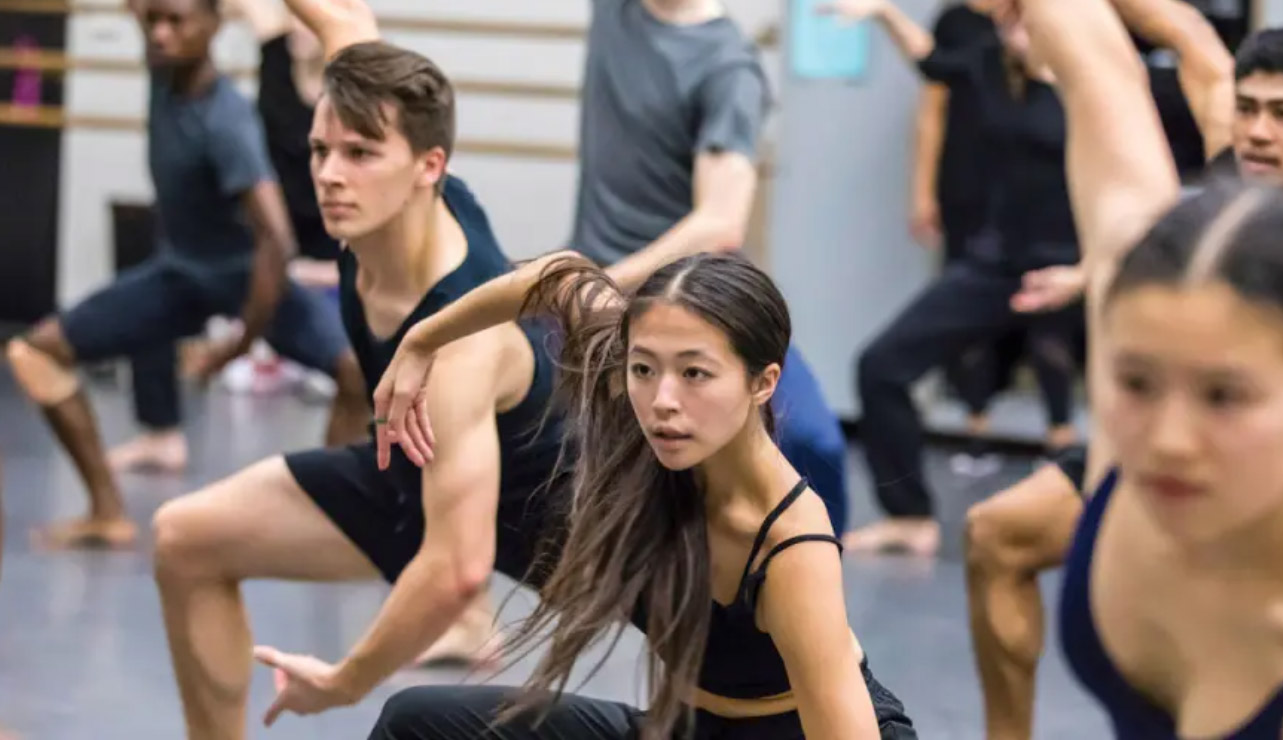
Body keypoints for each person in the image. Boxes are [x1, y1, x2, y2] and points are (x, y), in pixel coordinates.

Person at [959, 2, 1283, 736]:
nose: (1166, 439)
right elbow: (1105, 67)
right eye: (1135, 382)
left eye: (1224, 395)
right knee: (995, 533)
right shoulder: (1163, 256)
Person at [147, 1, 570, 736]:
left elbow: (458, 570)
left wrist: (343, 681)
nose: (331, 176)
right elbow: (343, 17)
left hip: (548, 538)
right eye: (321, 151)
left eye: (361, 155)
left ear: (429, 167)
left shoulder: (459, 340)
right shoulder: (378, 125)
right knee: (185, 540)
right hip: (408, 480)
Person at [367, 252, 918, 740]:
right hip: (683, 726)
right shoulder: (649, 404)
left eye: (696, 373)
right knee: (414, 722)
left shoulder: (791, 544)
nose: (662, 400)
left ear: (762, 382)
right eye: (643, 368)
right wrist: (422, 341)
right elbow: (556, 277)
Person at [2, 0, 365, 548]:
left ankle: (332, 530)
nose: (162, 34)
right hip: (179, 273)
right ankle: (107, 512)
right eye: (154, 22)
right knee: (36, 353)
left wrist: (239, 344)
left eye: (177, 22)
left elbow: (276, 239)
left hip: (243, 276)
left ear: (214, 26)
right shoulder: (162, 71)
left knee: (356, 372)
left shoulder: (226, 121)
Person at [562, 0, 851, 536]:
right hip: (600, 294)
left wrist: (599, 283)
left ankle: (798, 577)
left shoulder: (727, 68)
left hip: (678, 296)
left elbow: (720, 222)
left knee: (814, 444)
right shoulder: (616, 11)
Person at [822, 0, 1083, 556]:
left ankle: (1100, 533)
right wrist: (884, 12)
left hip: (1075, 267)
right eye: (1007, 21)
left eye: (1024, 19)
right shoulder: (988, 64)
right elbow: (931, 60)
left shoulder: (1094, 84)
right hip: (998, 263)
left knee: (1069, 380)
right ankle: (910, 517)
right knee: (881, 367)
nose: (1012, 31)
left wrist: (1089, 271)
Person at [915, 3, 1019, 479]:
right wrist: (922, 192)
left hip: (1023, 186)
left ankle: (1055, 433)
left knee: (1036, 312)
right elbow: (931, 110)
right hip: (964, 184)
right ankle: (977, 423)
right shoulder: (955, 22)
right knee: (965, 301)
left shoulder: (1031, 19)